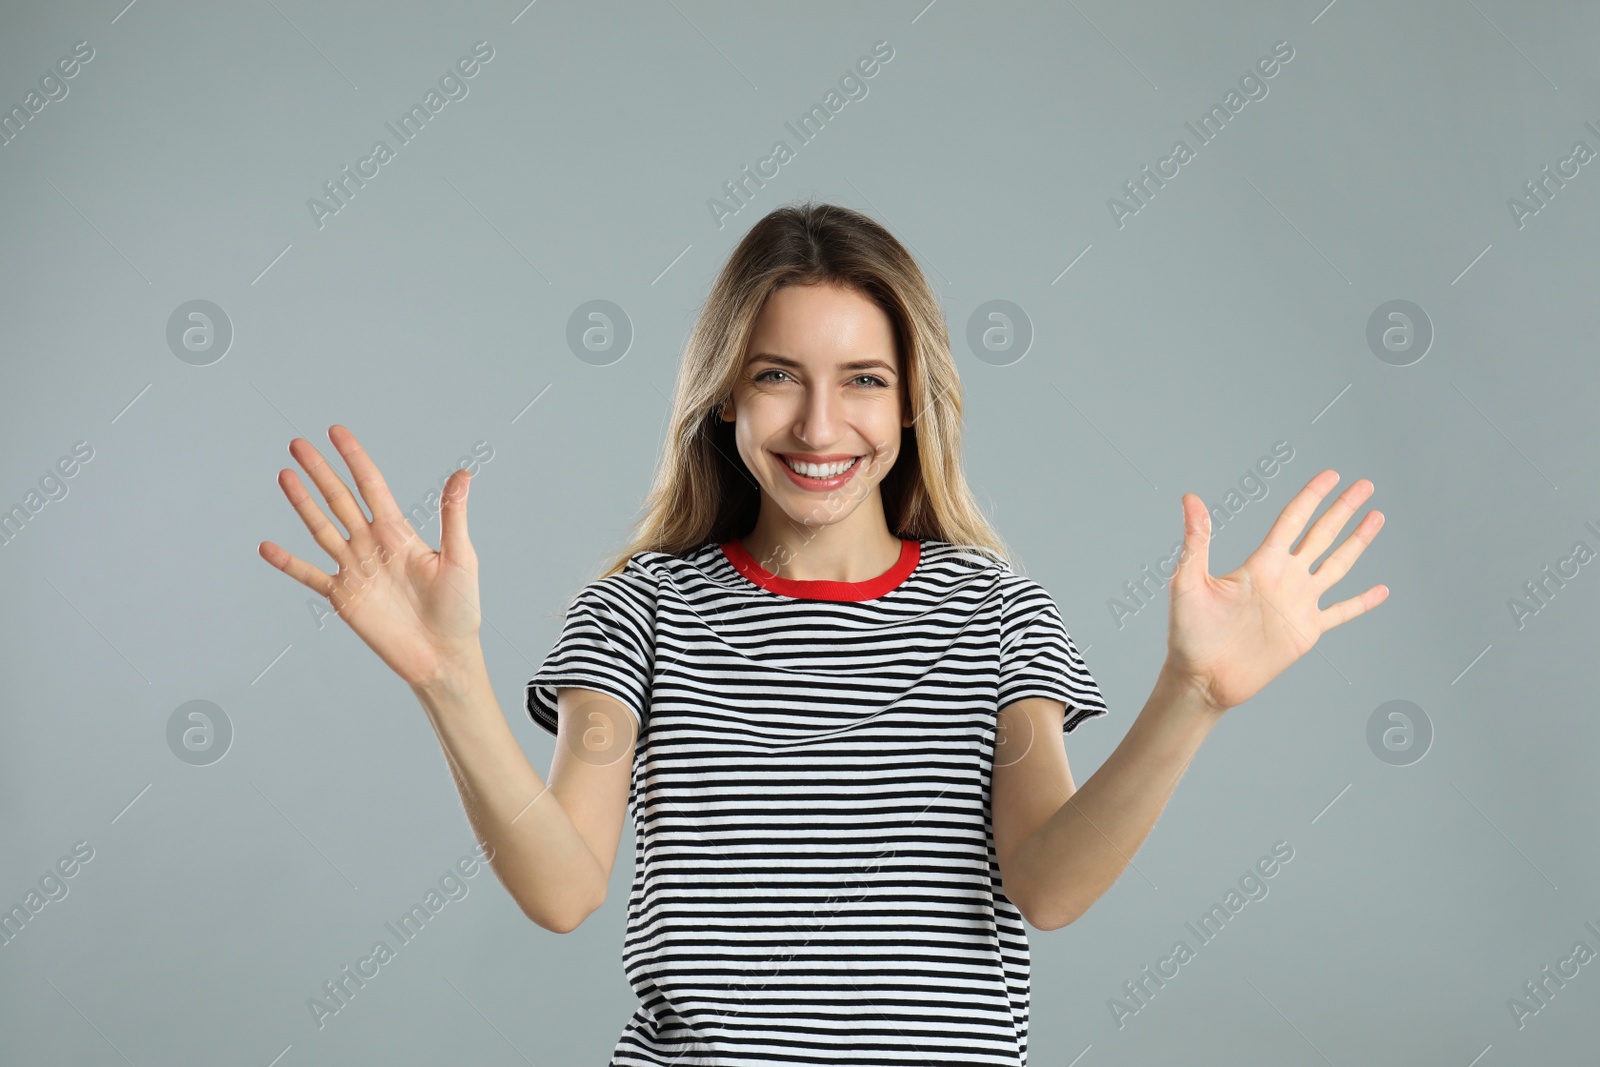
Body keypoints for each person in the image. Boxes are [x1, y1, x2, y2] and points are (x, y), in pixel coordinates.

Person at [258, 201, 1388, 1066]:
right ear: (724, 400)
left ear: (907, 404)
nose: (818, 423)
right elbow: (562, 885)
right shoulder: (641, 609)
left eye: (861, 380)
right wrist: (451, 677)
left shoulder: (993, 611)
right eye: (776, 378)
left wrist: (1190, 693)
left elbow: (1045, 883)